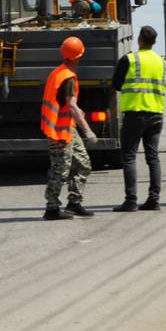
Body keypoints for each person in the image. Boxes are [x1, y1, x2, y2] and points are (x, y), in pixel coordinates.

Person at [111, 25, 166, 212]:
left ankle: (131, 200)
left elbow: (116, 84)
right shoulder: (162, 62)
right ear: (154, 42)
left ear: (139, 40)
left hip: (135, 113)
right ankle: (154, 199)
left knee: (129, 157)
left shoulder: (129, 59)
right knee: (153, 158)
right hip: (156, 114)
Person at [40, 36, 98, 220]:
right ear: (78, 57)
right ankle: (52, 208)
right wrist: (88, 130)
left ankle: (74, 202)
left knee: (83, 164)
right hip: (58, 131)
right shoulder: (68, 77)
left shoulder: (59, 72)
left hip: (66, 128)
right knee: (61, 169)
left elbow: (66, 105)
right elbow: (71, 106)